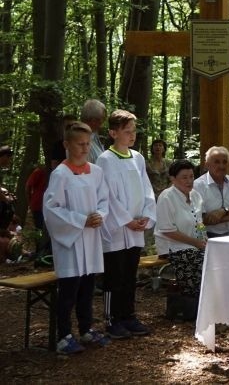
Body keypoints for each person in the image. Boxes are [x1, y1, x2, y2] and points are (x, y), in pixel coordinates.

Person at [43, 121, 111, 354]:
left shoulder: (96, 172)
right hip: (70, 241)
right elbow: (51, 208)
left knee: (87, 288)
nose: (84, 148)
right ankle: (63, 336)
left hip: (90, 239)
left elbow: (104, 200)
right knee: (69, 291)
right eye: (79, 144)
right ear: (66, 144)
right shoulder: (61, 174)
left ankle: (86, 329)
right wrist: (81, 220)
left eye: (87, 144)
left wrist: (99, 215)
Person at [96, 110, 156, 339]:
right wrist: (126, 220)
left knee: (130, 274)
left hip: (136, 227)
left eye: (134, 131)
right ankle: (111, 319)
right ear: (113, 133)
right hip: (116, 229)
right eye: (127, 131)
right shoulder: (105, 160)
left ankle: (128, 315)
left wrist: (146, 216)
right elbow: (107, 195)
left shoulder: (138, 158)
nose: (132, 136)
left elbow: (146, 188)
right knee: (115, 274)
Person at [154, 159, 206, 298]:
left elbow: (199, 222)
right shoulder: (166, 197)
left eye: (191, 176)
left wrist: (204, 238)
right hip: (173, 247)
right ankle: (193, 303)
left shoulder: (196, 195)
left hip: (196, 245)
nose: (189, 181)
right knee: (200, 262)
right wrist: (196, 243)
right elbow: (167, 230)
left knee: (216, 259)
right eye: (184, 177)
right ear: (173, 179)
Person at [193, 146, 229, 238]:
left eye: (224, 162)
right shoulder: (198, 185)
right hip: (207, 236)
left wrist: (222, 211)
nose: (221, 166)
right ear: (207, 164)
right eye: (216, 162)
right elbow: (201, 220)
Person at [26, 164, 49, 259]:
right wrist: (30, 202)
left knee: (45, 229)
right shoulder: (39, 172)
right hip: (38, 205)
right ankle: (40, 252)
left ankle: (44, 251)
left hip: (47, 205)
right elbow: (27, 186)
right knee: (39, 229)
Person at [80, 99, 107, 163]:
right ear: (93, 121)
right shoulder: (79, 140)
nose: (103, 123)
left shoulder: (94, 136)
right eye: (102, 119)